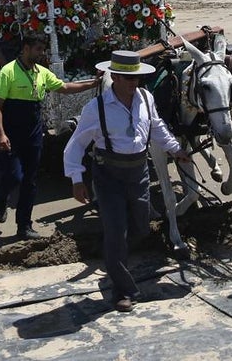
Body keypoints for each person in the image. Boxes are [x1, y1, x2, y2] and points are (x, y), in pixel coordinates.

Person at [63, 51, 189, 311]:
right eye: (129, 79)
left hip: (139, 173)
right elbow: (75, 146)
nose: (135, 83)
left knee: (142, 226)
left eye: (138, 78)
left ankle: (113, 257)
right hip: (108, 176)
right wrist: (77, 179)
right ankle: (123, 289)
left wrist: (176, 149)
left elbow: (156, 127)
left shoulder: (145, 98)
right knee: (116, 232)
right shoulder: (95, 108)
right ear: (116, 77)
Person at [0, 33, 99, 239]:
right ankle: (1, 198)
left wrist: (92, 84)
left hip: (34, 133)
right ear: (25, 48)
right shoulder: (7, 72)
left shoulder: (42, 73)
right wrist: (1, 134)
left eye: (42, 49)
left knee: (30, 181)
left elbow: (65, 87)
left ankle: (24, 226)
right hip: (12, 133)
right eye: (38, 49)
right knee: (14, 176)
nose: (41, 54)